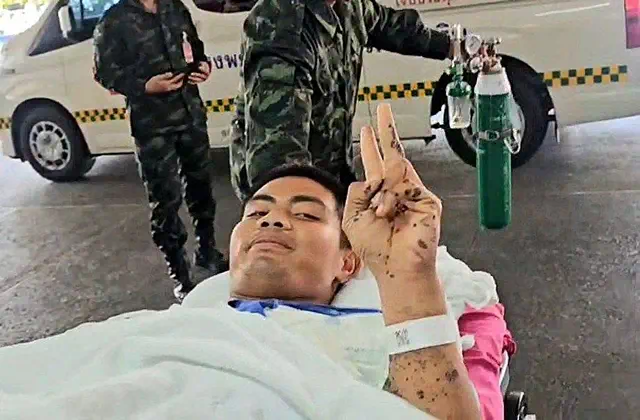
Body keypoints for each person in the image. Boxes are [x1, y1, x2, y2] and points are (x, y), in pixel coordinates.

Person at [228, 0, 457, 201]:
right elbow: (280, 167)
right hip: (295, 201)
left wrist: (452, 47)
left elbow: (388, 25)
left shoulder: (347, 6)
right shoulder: (281, 28)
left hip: (332, 174)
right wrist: (320, 216)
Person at [93, 0, 228, 302]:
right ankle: (180, 274)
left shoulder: (174, 8)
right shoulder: (115, 20)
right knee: (165, 200)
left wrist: (203, 66)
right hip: (152, 126)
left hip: (190, 115)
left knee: (202, 188)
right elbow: (104, 72)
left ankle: (207, 251)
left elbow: (194, 47)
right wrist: (144, 86)